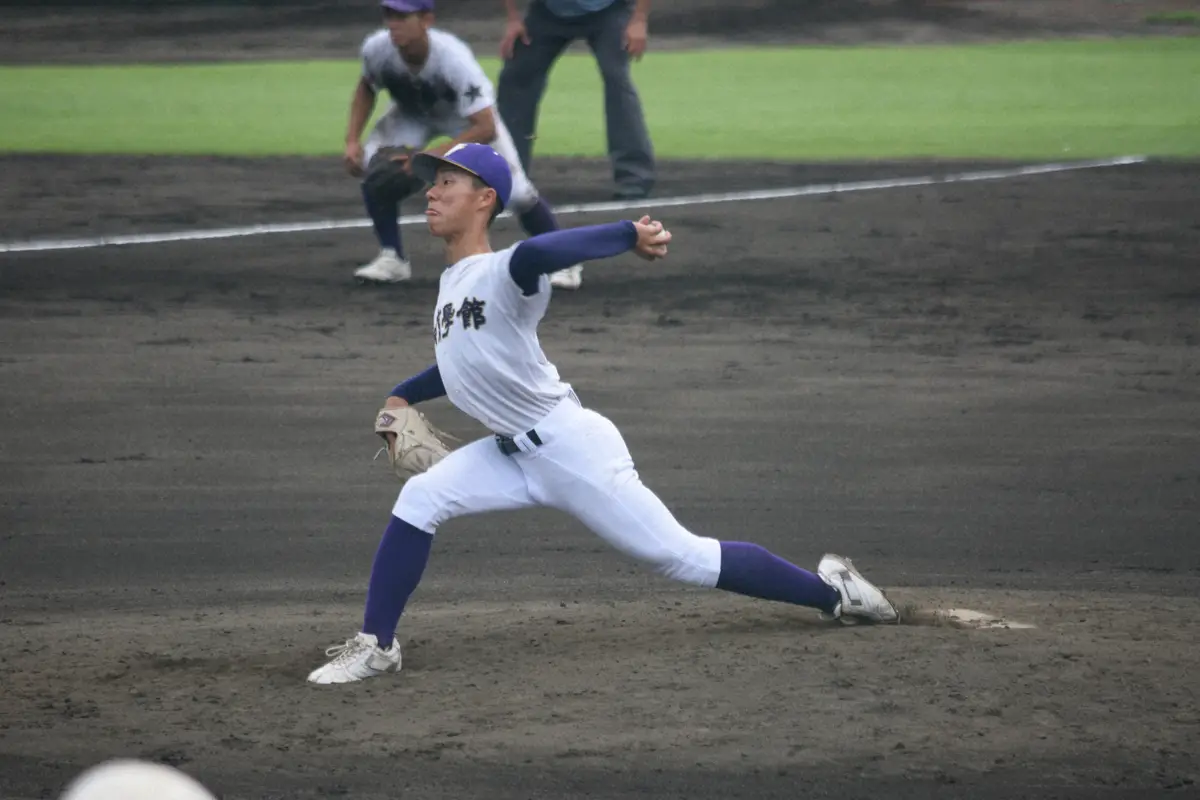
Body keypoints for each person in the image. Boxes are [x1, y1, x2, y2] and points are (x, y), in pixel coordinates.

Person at [306, 143, 898, 685]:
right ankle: (377, 645)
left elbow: (540, 250)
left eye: (447, 184)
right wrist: (402, 394)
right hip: (509, 454)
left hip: (571, 449)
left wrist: (626, 233)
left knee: (684, 557)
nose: (431, 193)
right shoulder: (454, 283)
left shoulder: (506, 273)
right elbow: (464, 364)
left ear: (486, 198)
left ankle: (833, 593)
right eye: (432, 184)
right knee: (420, 501)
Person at [346, 0, 583, 290]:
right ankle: (392, 257)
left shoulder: (452, 58)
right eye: (389, 15)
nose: (394, 23)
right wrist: (352, 140)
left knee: (517, 193)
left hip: (465, 120)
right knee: (378, 168)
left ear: (426, 20)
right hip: (412, 115)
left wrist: (433, 157)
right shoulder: (377, 48)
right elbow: (366, 87)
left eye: (402, 16)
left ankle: (565, 261)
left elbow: (485, 126)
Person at [497, 0, 657, 213]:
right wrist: (513, 19)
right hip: (548, 13)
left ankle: (634, 178)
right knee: (515, 78)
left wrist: (639, 19)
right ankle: (506, 175)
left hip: (608, 11)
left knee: (617, 78)